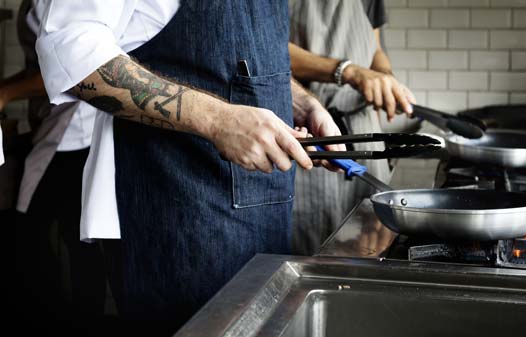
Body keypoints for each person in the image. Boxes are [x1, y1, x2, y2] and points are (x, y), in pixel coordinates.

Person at [35, 1, 343, 334]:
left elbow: (237, 54)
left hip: (262, 213)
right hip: (173, 211)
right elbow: (73, 56)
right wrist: (218, 119)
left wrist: (299, 103)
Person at [4, 1, 106, 335]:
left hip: (77, 133)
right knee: (70, 240)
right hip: (57, 130)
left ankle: (63, 322)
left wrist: (6, 93)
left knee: (39, 234)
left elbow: (75, 69)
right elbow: (41, 69)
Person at [288, 0, 417, 255]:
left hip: (361, 128)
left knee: (373, 243)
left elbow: (374, 46)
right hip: (305, 132)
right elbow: (265, 50)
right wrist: (347, 71)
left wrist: (384, 78)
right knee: (310, 251)